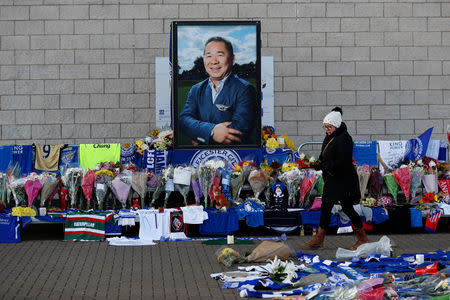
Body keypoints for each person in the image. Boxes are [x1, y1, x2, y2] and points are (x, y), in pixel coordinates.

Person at [302, 107, 369, 250]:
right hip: (332, 179)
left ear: (336, 125)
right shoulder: (330, 136)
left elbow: (343, 161)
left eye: (329, 127)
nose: (327, 129)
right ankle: (319, 239)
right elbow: (324, 155)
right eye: (325, 127)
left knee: (346, 208)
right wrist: (316, 164)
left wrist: (326, 165)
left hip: (343, 180)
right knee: (327, 207)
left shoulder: (345, 138)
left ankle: (362, 238)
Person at [178, 36, 256, 146]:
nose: (214, 61)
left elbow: (239, 131)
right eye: (209, 56)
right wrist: (210, 132)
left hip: (236, 158)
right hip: (201, 158)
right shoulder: (196, 89)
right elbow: (183, 120)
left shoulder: (245, 89)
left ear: (232, 59)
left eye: (220, 55)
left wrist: (200, 137)